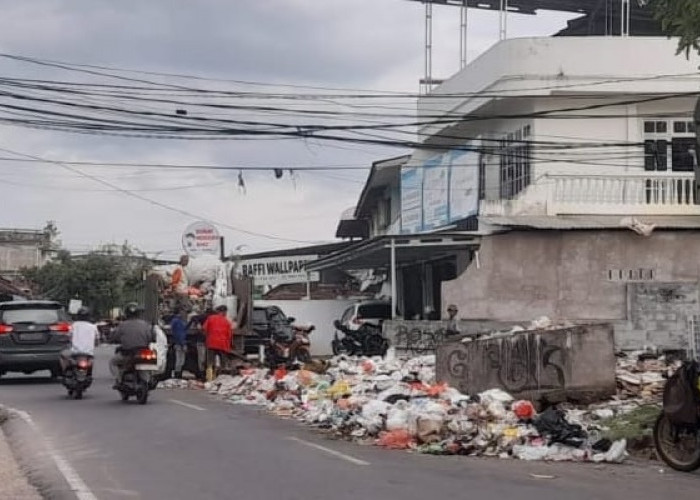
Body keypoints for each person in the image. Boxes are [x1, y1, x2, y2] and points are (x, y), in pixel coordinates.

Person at [109, 303, 156, 386]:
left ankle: (118, 380)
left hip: (128, 354)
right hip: (143, 352)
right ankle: (149, 379)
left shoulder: (122, 325)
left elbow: (114, 337)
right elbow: (151, 337)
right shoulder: (145, 324)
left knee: (112, 362)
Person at [60, 306, 98, 374]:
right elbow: (97, 339)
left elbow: (68, 336)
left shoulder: (73, 325)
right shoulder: (93, 326)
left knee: (62, 355)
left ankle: (65, 373)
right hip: (89, 353)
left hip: (75, 352)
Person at [202, 305, 233, 380]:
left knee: (210, 362)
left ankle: (209, 379)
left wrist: (208, 337)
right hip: (222, 344)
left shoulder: (210, 318)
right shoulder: (227, 322)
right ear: (224, 312)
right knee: (223, 363)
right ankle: (221, 378)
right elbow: (229, 335)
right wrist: (229, 346)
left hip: (211, 343)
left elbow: (204, 329)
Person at [170, 308, 188, 379]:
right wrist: (183, 344)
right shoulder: (178, 322)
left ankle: (177, 374)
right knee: (180, 360)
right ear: (180, 313)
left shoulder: (175, 321)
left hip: (177, 342)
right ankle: (178, 374)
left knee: (179, 359)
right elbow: (180, 334)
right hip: (180, 343)